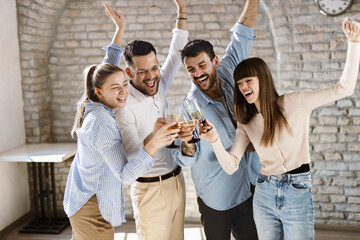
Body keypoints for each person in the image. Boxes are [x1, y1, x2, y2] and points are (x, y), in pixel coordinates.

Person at [198, 18, 360, 240]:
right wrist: (214, 140)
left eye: (248, 80)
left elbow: (344, 88)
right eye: (239, 83)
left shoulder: (295, 102)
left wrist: (354, 43)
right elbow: (231, 165)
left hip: (298, 189)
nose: (243, 87)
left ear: (261, 79)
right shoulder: (246, 122)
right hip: (264, 191)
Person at [63, 4, 179, 240]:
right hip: (91, 206)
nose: (124, 92)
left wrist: (120, 29)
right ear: (98, 92)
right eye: (116, 88)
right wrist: (153, 144)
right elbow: (126, 175)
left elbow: (108, 65)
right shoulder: (102, 124)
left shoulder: (95, 100)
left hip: (86, 197)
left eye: (124, 84)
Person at [172, 0, 261, 239]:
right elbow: (186, 160)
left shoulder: (231, 70)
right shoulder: (191, 107)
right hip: (216, 198)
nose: (197, 73)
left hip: (250, 186)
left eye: (202, 65)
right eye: (191, 69)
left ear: (215, 62)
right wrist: (188, 144)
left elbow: (243, 32)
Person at [114, 1, 188, 239]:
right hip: (149, 189)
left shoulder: (159, 84)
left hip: (177, 182)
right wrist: (153, 140)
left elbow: (177, 53)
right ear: (129, 73)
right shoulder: (124, 107)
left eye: (154, 67)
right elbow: (130, 161)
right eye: (142, 71)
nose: (151, 76)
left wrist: (182, 11)